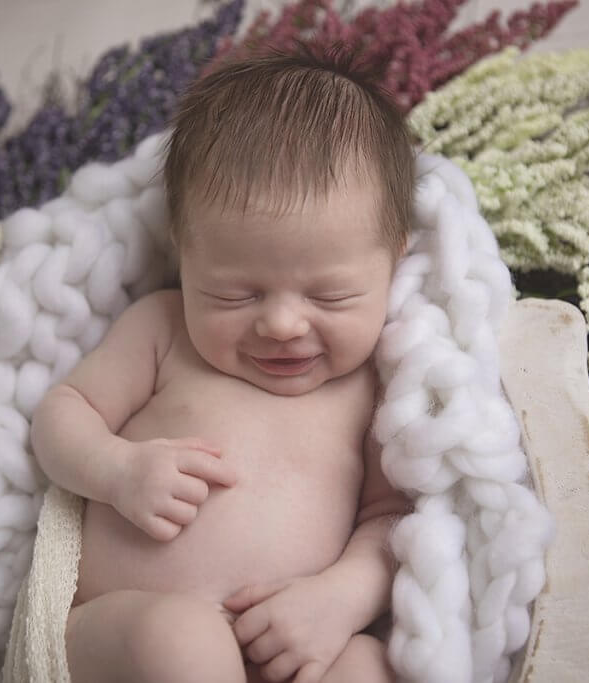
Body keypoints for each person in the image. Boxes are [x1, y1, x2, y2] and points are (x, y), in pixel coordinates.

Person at [30, 48, 416, 683]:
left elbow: (391, 522)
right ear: (184, 256)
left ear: (393, 261)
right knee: (181, 640)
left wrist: (340, 600)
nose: (283, 324)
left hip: (288, 649)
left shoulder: (373, 383)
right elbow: (61, 415)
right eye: (235, 294)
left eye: (329, 296)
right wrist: (117, 469)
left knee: (369, 666)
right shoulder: (162, 330)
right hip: (117, 636)